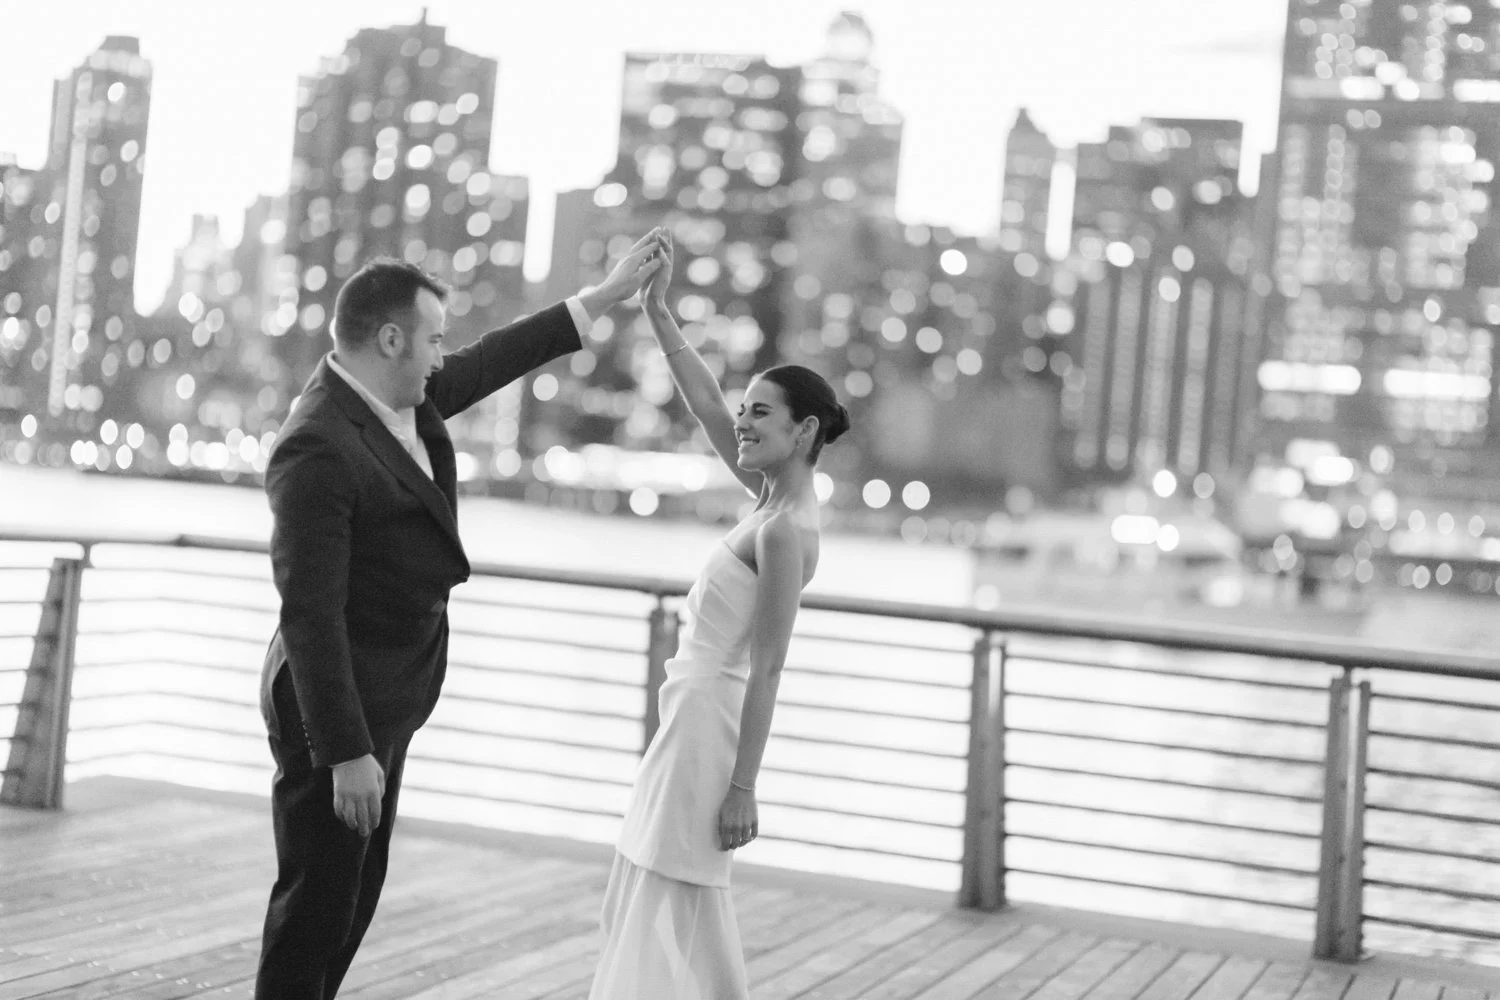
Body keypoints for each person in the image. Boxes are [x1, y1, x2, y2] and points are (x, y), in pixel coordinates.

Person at [255, 235, 663, 1000]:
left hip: (389, 697)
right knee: (317, 904)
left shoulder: (404, 396)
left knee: (352, 900)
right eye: (433, 339)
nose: (445, 356)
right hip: (334, 711)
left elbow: (502, 353)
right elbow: (309, 614)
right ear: (390, 339)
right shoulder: (318, 444)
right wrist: (345, 752)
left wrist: (604, 297)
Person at [588, 227, 851, 999]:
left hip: (712, 727)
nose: (741, 423)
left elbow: (768, 665)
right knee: (659, 879)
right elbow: (704, 399)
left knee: (676, 885)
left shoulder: (783, 531)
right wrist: (658, 310)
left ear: (804, 430)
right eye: (746, 411)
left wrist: (744, 787)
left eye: (761, 414)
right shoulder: (765, 504)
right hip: (690, 711)